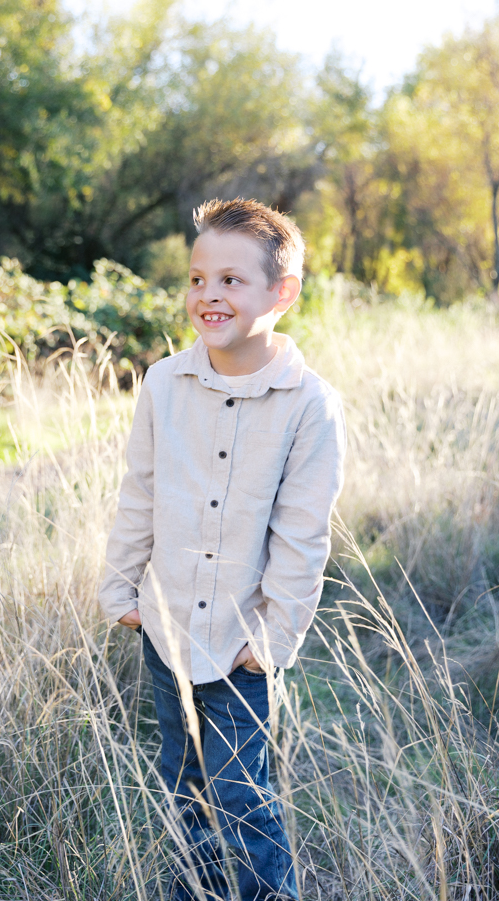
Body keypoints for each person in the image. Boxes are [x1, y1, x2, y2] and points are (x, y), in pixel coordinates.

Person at [99, 197, 346, 901]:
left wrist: (271, 641)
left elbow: (303, 536)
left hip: (242, 644)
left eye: (231, 280)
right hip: (166, 628)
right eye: (197, 279)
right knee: (180, 788)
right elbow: (140, 493)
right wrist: (121, 590)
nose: (208, 294)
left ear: (281, 293)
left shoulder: (309, 404)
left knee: (241, 797)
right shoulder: (163, 383)